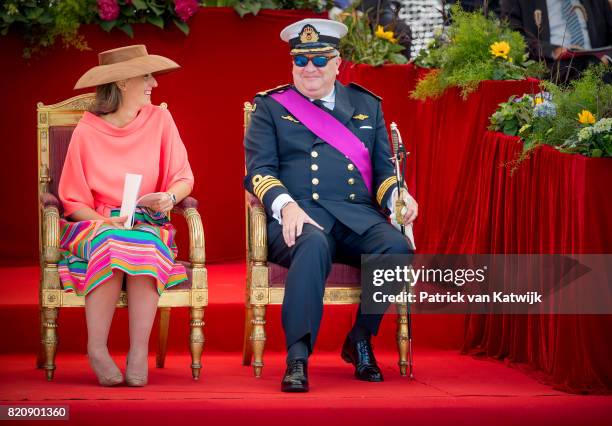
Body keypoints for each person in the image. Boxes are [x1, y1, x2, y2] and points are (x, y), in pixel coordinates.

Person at [244, 19, 418, 393]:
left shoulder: (366, 105)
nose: (310, 69)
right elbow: (259, 172)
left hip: (355, 215)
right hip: (296, 216)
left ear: (338, 63)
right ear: (292, 64)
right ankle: (297, 357)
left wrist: (397, 196)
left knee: (397, 247)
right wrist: (286, 206)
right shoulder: (270, 107)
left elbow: (386, 171)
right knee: (312, 242)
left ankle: (360, 340)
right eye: (301, 61)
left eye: (320, 60)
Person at [58, 45, 194, 387]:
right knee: (111, 240)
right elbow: (72, 200)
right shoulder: (87, 131)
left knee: (144, 244)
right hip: (98, 223)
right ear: (122, 83)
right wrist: (106, 221)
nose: (153, 83)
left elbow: (184, 177)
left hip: (147, 221)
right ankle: (97, 349)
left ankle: (137, 352)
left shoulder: (160, 119)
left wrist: (168, 197)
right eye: (146, 76)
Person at [501, 0, 612, 80]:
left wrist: (608, 58)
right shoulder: (519, 3)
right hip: (553, 69)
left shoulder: (597, 3)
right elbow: (514, 35)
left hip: (600, 66)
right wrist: (552, 51)